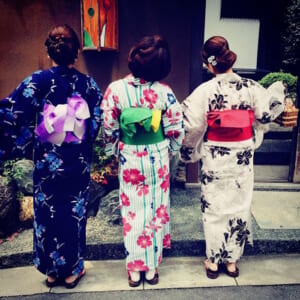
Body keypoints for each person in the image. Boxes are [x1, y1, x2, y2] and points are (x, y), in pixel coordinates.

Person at [0, 24, 103, 288]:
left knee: (47, 214)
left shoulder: (38, 81)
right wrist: (83, 139)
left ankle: (51, 271)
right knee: (73, 214)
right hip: (77, 161)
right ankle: (71, 271)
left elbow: (12, 114)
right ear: (77, 52)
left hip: (48, 162)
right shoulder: (87, 84)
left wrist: (27, 140)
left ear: (49, 52)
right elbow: (96, 121)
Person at [180, 36, 284, 279]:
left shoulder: (204, 91)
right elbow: (268, 114)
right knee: (239, 204)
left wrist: (189, 151)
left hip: (216, 153)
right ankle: (232, 262)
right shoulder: (250, 87)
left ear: (209, 63)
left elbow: (192, 126)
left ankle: (214, 262)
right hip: (242, 155)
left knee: (215, 206)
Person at [101, 35, 185, 287]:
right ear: (162, 67)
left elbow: (108, 127)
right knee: (155, 209)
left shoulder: (115, 90)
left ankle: (134, 269)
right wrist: (168, 149)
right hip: (157, 155)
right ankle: (151, 268)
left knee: (133, 210)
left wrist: (114, 151)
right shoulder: (165, 92)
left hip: (130, 157)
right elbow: (177, 128)